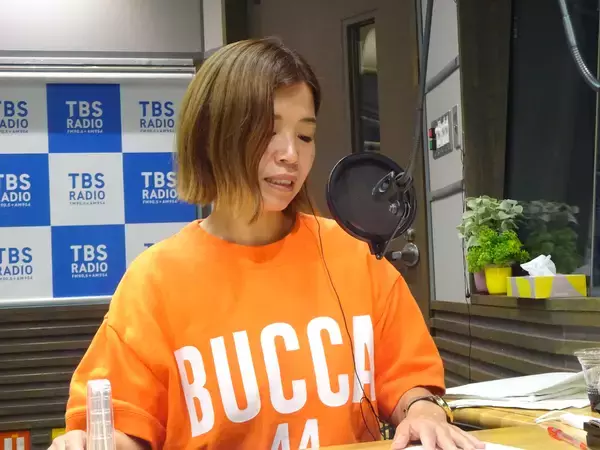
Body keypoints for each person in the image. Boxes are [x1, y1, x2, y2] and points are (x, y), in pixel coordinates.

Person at [49, 38, 484, 450]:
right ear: (212, 135)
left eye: (305, 136)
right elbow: (124, 427)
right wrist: (89, 441)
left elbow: (410, 381)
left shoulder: (353, 255)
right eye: (268, 131)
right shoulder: (155, 281)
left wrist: (424, 411)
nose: (291, 154)